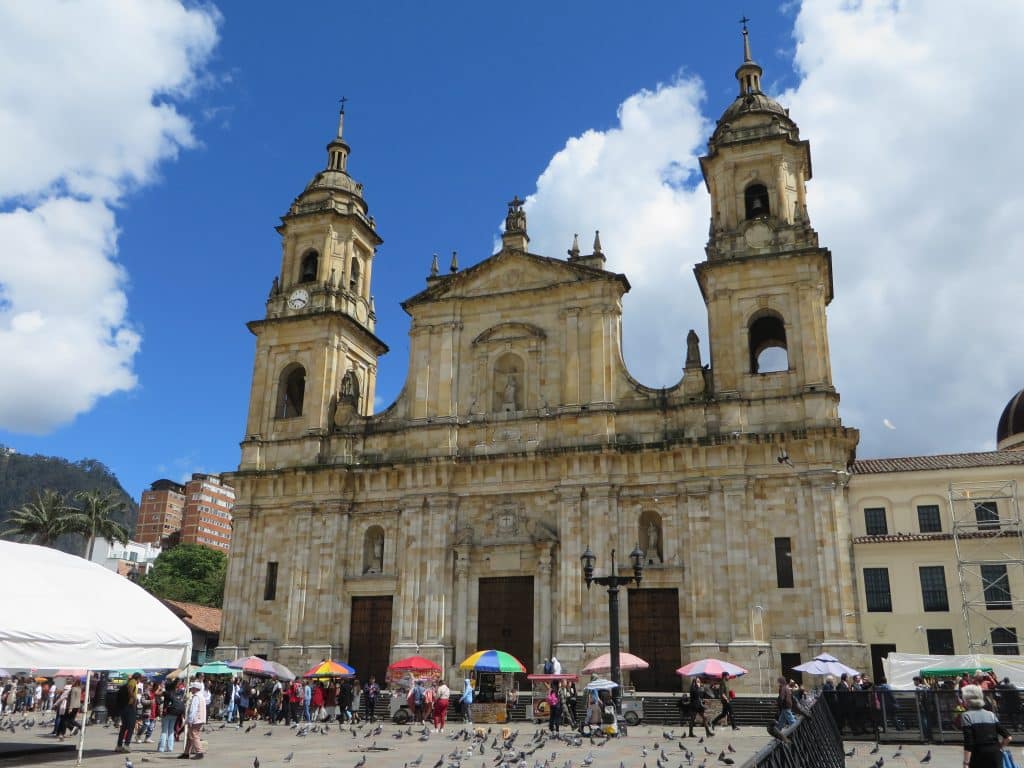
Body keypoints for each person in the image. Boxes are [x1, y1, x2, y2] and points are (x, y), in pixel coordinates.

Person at [962, 683, 1011, 768]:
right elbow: (1008, 737)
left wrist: (966, 763)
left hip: (978, 756)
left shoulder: (967, 716)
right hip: (995, 755)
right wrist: (999, 747)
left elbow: (969, 742)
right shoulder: (991, 714)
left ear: (967, 700)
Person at [115, 672, 142, 753]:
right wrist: (134, 698)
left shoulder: (129, 682)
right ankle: (126, 745)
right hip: (129, 707)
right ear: (138, 678)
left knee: (124, 726)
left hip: (123, 707)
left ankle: (119, 745)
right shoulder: (133, 682)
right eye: (140, 679)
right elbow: (130, 690)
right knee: (131, 726)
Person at [181, 680, 207, 760]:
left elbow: (193, 710)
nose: (191, 690)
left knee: (194, 735)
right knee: (190, 735)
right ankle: (186, 753)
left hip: (196, 719)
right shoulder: (201, 696)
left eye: (192, 688)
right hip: (200, 718)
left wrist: (189, 720)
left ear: (195, 689)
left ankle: (199, 752)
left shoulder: (196, 697)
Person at [159, 680, 184, 753]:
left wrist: (160, 688)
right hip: (175, 713)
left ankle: (161, 748)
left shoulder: (166, 693)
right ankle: (170, 748)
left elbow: (157, 693)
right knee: (171, 731)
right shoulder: (177, 692)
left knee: (164, 731)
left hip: (167, 713)